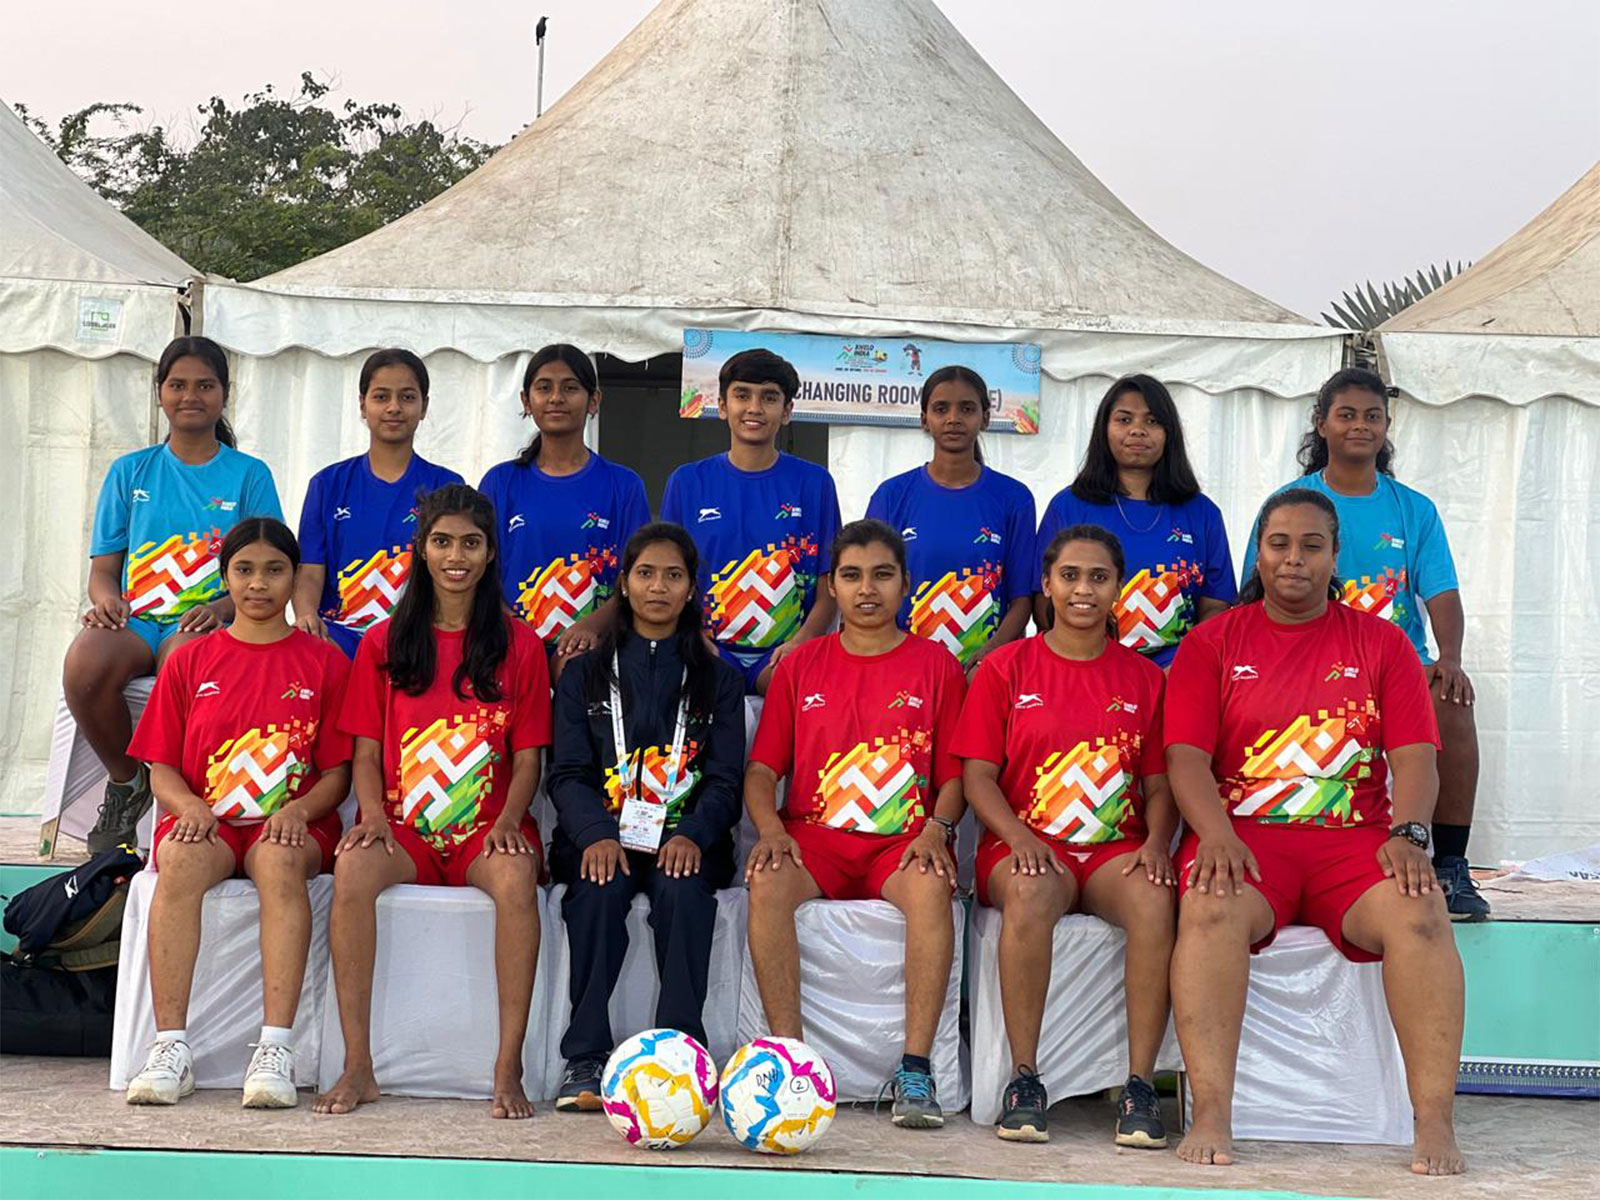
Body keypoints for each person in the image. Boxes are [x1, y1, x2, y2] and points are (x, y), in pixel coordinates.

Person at [1166, 488, 1464, 1175]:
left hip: (1353, 844)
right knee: (1209, 908)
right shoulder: (1212, 642)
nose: (1294, 559)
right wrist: (1214, 834)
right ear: (1258, 555)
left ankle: (1435, 1120)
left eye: (1311, 546)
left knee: (1421, 911)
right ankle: (1212, 1110)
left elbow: (1415, 756)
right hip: (1245, 840)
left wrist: (1409, 833)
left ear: (1335, 557)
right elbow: (1185, 758)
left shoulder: (1382, 642)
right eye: (1279, 544)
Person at [314, 484, 550, 1120]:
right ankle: (357, 1066)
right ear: (421, 549)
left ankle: (507, 1066)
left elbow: (529, 758)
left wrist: (508, 820)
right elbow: (366, 752)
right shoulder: (383, 641)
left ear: (491, 553)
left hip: (485, 831)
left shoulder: (521, 643)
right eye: (442, 542)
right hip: (404, 830)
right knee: (352, 869)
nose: (456, 556)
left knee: (516, 878)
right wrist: (371, 816)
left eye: (471, 543)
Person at [955, 525, 1176, 1147]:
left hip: (1114, 852)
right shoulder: (1004, 668)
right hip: (1024, 848)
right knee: (1029, 894)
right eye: (1070, 576)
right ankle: (1025, 1080)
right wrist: (1018, 838)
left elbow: (1160, 787)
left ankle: (1139, 1086)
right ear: (1047, 584)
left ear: (1118, 588)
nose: (1084, 589)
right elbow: (977, 778)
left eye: (1098, 577)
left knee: (1155, 898)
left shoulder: (1146, 678)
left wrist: (1155, 845)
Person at [745, 520, 966, 1129]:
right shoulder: (800, 665)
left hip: (901, 845)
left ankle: (915, 1070)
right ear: (832, 587)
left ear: (906, 584)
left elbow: (956, 777)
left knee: (931, 889)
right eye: (852, 576)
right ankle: (790, 1063)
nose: (867, 589)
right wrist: (771, 832)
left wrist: (938, 828)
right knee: (767, 884)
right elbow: (761, 773)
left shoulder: (938, 666)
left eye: (882, 575)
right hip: (813, 842)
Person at [122, 518, 351, 1108]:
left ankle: (275, 1048)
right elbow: (160, 767)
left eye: (274, 571)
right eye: (244, 570)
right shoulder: (189, 660)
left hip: (293, 823)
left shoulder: (325, 662)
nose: (258, 584)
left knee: (278, 862)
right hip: (210, 820)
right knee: (176, 858)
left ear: (295, 578)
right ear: (225, 578)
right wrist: (188, 806)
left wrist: (300, 810)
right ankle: (170, 1046)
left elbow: (337, 774)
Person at [1243, 368, 1484, 919]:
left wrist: (1450, 659)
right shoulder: (1289, 502)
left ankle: (1449, 864)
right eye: (1346, 414)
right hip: (1306, 664)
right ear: (1321, 423)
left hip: (1395, 667)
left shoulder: (1413, 508)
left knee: (1453, 700)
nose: (1360, 426)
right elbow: (1254, 592)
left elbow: (1441, 592)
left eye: (1373, 416)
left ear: (1386, 426)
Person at [545, 522, 745, 1110]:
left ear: (691, 589)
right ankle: (585, 1058)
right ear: (625, 585)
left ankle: (681, 1053)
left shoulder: (719, 679)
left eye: (673, 575)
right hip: (601, 839)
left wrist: (693, 835)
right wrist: (595, 834)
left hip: (686, 841)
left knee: (683, 894)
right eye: (646, 573)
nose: (658, 587)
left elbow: (725, 780)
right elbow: (568, 774)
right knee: (597, 892)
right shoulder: (583, 675)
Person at [64, 335, 283, 853]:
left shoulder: (249, 475)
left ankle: (188, 802)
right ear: (159, 391)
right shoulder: (130, 471)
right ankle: (126, 783)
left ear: (224, 394)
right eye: (178, 384)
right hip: (137, 620)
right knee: (83, 666)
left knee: (186, 665)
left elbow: (270, 570)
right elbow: (103, 571)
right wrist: (106, 601)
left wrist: (222, 607)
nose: (190, 396)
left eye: (205, 385)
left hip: (207, 623)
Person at [661, 348, 842, 694]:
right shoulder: (686, 482)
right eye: (742, 395)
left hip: (786, 654)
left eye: (769, 397)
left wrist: (801, 643)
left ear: (787, 411)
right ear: (722, 406)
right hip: (708, 650)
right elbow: (667, 576)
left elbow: (830, 585)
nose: (755, 407)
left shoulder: (815, 483)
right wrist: (691, 638)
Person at [1036, 375, 1234, 669]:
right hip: (1088, 671)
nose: (1138, 430)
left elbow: (1216, 606)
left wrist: (1184, 667)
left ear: (1169, 433)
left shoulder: (1203, 513)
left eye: (1152, 421)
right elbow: (1043, 602)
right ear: (1104, 429)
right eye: (1124, 420)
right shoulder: (1068, 506)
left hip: (1176, 674)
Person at [478, 345, 649, 672]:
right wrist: (515, 631)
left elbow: (638, 576)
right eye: (544, 388)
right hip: (509, 643)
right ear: (526, 401)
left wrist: (591, 627)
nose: (556, 398)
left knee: (576, 674)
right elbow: (479, 571)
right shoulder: (500, 482)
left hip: (593, 648)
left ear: (594, 400)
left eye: (570, 388)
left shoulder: (624, 485)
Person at [293, 349, 463, 658]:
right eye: (381, 397)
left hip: (417, 639)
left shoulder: (447, 485)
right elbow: (310, 569)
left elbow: (456, 572)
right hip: (338, 636)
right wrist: (306, 616)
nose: (394, 407)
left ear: (424, 407)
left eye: (407, 397)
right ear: (363, 405)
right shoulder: (327, 484)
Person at [865, 366, 1036, 672]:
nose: (953, 418)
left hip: (984, 673)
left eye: (967, 409)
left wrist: (987, 659)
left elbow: (1022, 601)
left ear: (985, 417)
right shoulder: (891, 495)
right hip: (904, 669)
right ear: (924, 419)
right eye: (941, 409)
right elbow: (872, 588)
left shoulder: (1014, 498)